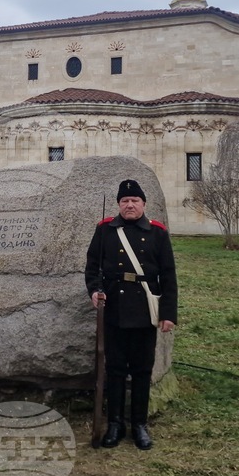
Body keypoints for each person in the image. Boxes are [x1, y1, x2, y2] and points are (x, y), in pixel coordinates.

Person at [85, 178, 177, 450]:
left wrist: (168, 314)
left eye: (134, 201)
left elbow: (168, 276)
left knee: (141, 370)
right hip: (113, 311)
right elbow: (92, 268)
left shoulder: (157, 233)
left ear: (144, 204)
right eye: (124, 201)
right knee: (114, 370)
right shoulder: (104, 230)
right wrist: (95, 290)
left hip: (144, 312)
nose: (129, 205)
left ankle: (139, 424)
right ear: (118, 205)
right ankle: (115, 424)